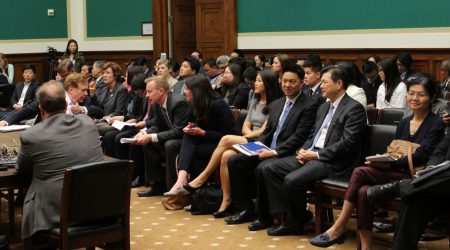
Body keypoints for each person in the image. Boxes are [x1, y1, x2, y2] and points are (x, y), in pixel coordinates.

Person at [310, 73, 445, 249]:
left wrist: (389, 163)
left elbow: (423, 155)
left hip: (415, 177)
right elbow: (394, 150)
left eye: (421, 94)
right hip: (397, 171)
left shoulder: (436, 123)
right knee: (363, 191)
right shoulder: (404, 122)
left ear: (432, 97)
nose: (414, 98)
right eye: (411, 93)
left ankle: (339, 227)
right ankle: (365, 246)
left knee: (359, 172)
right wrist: (384, 160)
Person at [255, 65, 367, 236]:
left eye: (324, 82)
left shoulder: (354, 108)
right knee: (268, 168)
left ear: (339, 83)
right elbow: (312, 135)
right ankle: (293, 215)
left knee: (292, 179)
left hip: (333, 161)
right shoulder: (323, 107)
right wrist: (303, 150)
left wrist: (316, 154)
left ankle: (294, 222)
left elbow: (347, 143)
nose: (320, 86)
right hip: (312, 155)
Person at [223, 65, 318, 225]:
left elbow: (299, 137)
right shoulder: (277, 104)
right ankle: (247, 208)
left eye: (292, 82)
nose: (287, 85)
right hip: (267, 149)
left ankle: (265, 216)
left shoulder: (309, 105)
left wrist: (274, 152)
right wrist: (256, 146)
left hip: (287, 153)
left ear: (302, 83)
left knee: (263, 166)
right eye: (285, 81)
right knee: (235, 161)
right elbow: (267, 132)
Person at [181, 70, 282, 216]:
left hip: (263, 143)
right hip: (248, 140)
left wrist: (248, 137)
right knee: (226, 155)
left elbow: (264, 132)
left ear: (269, 84)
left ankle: (202, 177)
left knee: (226, 139)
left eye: (259, 81)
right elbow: (245, 126)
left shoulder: (276, 105)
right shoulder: (255, 101)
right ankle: (226, 200)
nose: (256, 83)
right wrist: (247, 136)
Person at [16, 80, 104, 240]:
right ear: (65, 106)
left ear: (41, 109)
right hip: (96, 204)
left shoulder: (32, 135)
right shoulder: (88, 123)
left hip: (55, 212)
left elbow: (21, 168)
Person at [367, 132, 450, 250]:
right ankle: (409, 186)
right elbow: (439, 152)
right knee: (413, 197)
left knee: (414, 191)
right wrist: (432, 170)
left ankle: (401, 186)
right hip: (438, 185)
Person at [164, 75, 236, 195]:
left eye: (187, 88)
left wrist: (203, 132)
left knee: (194, 151)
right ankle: (183, 182)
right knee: (189, 136)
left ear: (197, 91)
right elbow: (202, 126)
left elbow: (228, 135)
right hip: (208, 140)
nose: (184, 91)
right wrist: (193, 127)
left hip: (224, 145)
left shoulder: (219, 105)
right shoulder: (197, 104)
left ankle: (194, 190)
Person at [133, 76, 192, 196]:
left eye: (149, 91)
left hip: (187, 139)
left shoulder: (179, 102)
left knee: (169, 144)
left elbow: (179, 131)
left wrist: (151, 136)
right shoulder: (156, 103)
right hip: (171, 136)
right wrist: (145, 133)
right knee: (148, 144)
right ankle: (157, 186)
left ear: (160, 91)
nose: (146, 95)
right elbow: (156, 125)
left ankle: (173, 187)